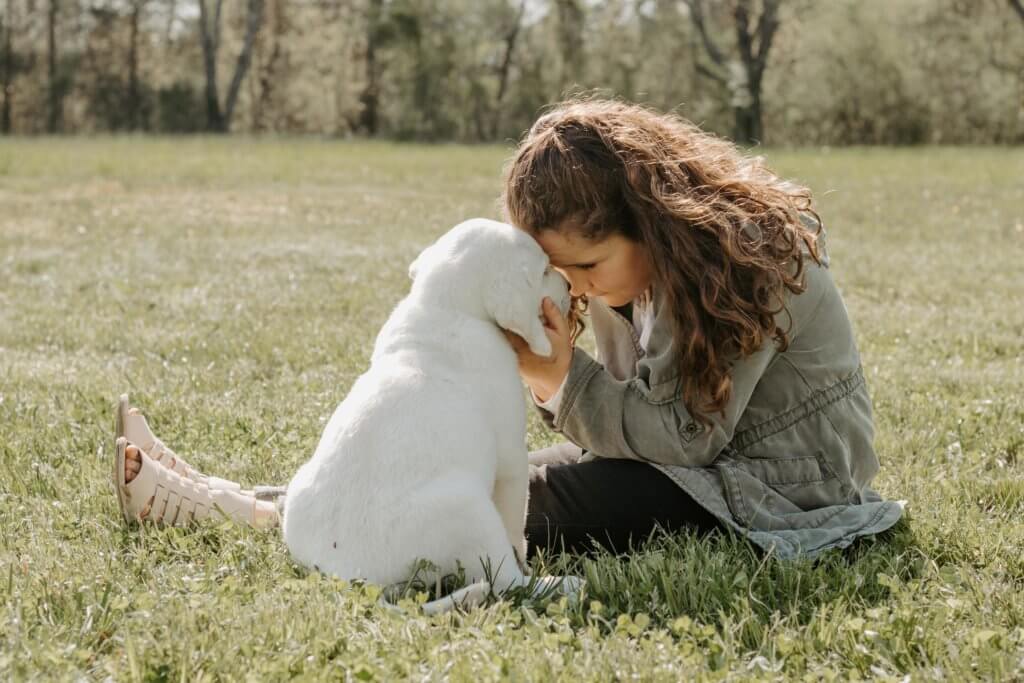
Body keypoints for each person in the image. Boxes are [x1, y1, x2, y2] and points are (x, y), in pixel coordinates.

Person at [114, 98, 903, 560]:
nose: (577, 291)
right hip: (697, 461)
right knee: (460, 463)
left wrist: (560, 378)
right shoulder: (645, 263)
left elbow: (689, 436)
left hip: (779, 486)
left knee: (528, 499)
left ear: (645, 220)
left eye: (587, 268)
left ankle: (238, 512)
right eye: (563, 274)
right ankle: (223, 497)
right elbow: (647, 425)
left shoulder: (745, 257)